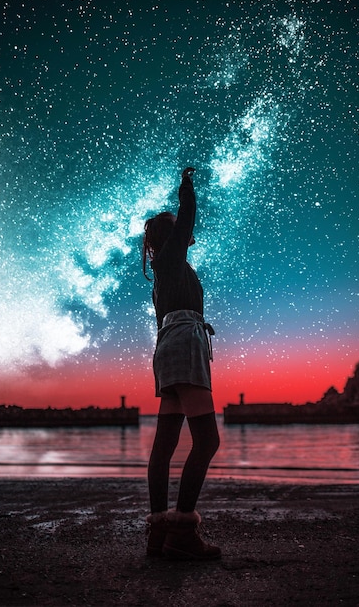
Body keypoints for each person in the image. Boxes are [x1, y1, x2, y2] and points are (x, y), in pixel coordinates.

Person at [142, 166, 221, 560]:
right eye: (177, 228)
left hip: (167, 347)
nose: (186, 231)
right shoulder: (171, 258)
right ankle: (182, 533)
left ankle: (158, 534)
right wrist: (186, 188)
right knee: (207, 440)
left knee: (166, 444)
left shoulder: (165, 272)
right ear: (169, 237)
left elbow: (164, 323)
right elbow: (187, 216)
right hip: (184, 344)